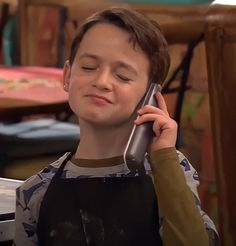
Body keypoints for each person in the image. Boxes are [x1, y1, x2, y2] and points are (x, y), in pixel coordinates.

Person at [14, 7, 219, 246]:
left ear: (151, 96)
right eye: (89, 67)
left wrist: (163, 158)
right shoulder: (36, 191)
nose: (101, 82)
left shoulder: (169, 172)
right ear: (67, 76)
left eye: (122, 76)